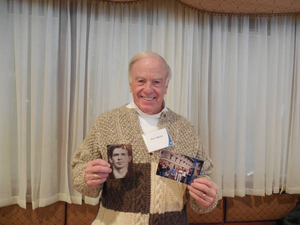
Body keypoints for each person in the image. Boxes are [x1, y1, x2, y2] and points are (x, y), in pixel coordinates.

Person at [71, 51, 219, 225]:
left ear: (166, 86)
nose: (148, 89)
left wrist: (205, 196)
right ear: (131, 84)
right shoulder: (107, 123)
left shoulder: (185, 128)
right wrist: (87, 178)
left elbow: (204, 179)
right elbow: (80, 172)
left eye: (156, 82)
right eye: (141, 81)